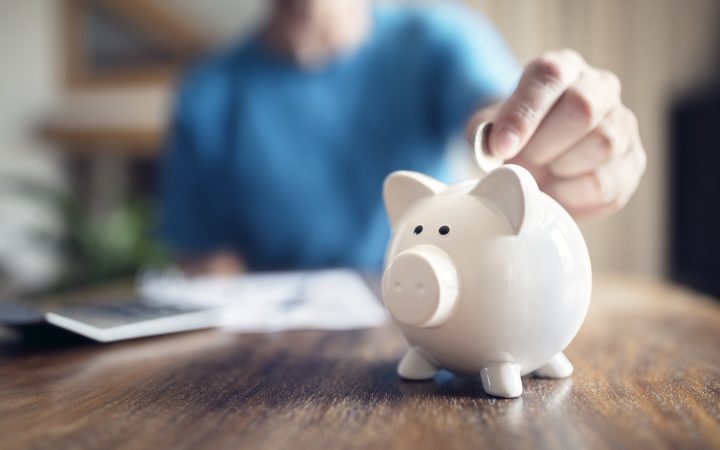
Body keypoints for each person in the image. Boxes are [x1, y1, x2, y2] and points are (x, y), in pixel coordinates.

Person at [160, 0, 646, 274]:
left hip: (430, 318)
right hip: (274, 368)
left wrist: (531, 131)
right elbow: (207, 265)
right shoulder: (206, 93)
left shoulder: (436, 37)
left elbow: (491, 109)